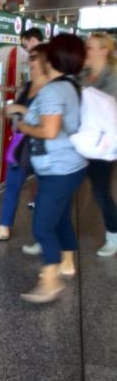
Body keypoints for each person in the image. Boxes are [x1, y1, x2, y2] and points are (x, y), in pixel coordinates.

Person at [17, 34, 88, 303]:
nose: (36, 60)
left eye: (40, 57)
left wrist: (23, 126)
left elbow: (49, 130)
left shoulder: (53, 90)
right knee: (60, 218)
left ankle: (50, 281)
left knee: (42, 226)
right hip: (72, 166)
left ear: (53, 59)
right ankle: (67, 263)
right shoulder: (72, 84)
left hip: (58, 169)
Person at [0, 43, 50, 242]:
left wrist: (20, 112)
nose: (30, 63)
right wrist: (3, 111)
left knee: (46, 191)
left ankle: (46, 235)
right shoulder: (30, 85)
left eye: (34, 58)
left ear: (46, 61)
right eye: (29, 58)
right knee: (12, 185)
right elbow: (18, 106)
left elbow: (47, 121)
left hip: (42, 146)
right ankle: (4, 228)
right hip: (22, 143)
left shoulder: (51, 88)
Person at [80, 32, 117, 256]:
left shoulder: (113, 77)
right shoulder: (84, 74)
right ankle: (47, 232)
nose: (87, 50)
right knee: (62, 188)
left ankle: (113, 235)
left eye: (91, 47)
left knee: (100, 191)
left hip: (102, 145)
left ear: (104, 50)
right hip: (81, 140)